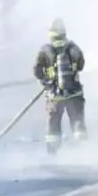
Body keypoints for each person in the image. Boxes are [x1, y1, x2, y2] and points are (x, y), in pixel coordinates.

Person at [33, 18, 87, 154]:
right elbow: (80, 66)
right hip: (74, 94)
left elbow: (37, 71)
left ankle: (52, 154)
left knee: (53, 128)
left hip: (54, 97)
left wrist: (47, 81)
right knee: (78, 124)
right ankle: (85, 153)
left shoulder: (45, 50)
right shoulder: (74, 48)